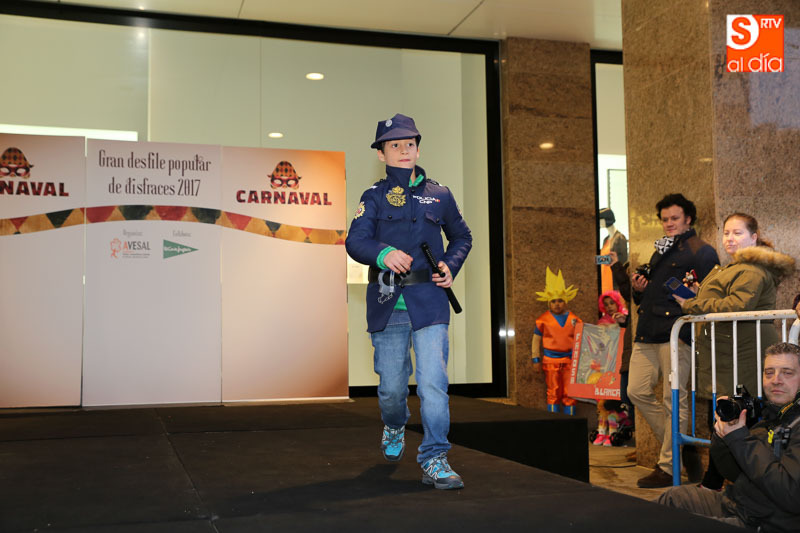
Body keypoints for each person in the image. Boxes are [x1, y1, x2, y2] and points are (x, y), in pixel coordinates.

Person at [345, 113, 472, 490]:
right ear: (381, 153)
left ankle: (435, 457)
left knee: (433, 383)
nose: (404, 150)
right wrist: (383, 253)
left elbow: (462, 237)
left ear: (418, 149)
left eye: (410, 144)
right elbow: (355, 241)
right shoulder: (373, 196)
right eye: (395, 145)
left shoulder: (440, 194)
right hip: (388, 302)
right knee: (392, 389)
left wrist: (450, 265)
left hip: (430, 301)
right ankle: (394, 424)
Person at [673, 213, 795, 489]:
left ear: (754, 237)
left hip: (742, 353)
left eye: (738, 233)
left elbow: (738, 305)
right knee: (727, 418)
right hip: (731, 351)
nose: (730, 238)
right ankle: (717, 482)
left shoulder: (751, 269)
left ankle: (717, 483)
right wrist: (699, 294)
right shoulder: (732, 267)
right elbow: (727, 301)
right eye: (726, 233)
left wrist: (691, 305)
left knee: (733, 418)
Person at [627, 193, 720, 488]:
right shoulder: (660, 250)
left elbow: (711, 295)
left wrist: (693, 297)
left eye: (675, 218)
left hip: (677, 333)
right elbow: (649, 295)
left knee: (673, 400)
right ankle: (679, 442)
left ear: (688, 219)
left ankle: (668, 466)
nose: (669, 223)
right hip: (647, 331)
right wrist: (638, 289)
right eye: (665, 219)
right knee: (636, 391)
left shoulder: (701, 251)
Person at [657, 342, 800, 532]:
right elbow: (733, 473)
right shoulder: (771, 416)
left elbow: (790, 494)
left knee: (676, 524)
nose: (776, 380)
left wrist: (740, 439)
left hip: (766, 522)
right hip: (738, 504)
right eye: (769, 372)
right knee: (673, 498)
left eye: (787, 373)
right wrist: (724, 433)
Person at [531, 267, 582, 415]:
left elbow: (581, 339)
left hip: (570, 361)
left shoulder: (574, 319)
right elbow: (536, 340)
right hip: (550, 361)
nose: (557, 304)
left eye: (560, 301)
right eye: (553, 301)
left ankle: (570, 421)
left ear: (565, 302)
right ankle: (554, 421)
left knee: (570, 392)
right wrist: (535, 359)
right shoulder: (543, 320)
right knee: (553, 391)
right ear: (549, 303)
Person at [592, 290, 632, 446]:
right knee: (603, 401)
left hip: (621, 364)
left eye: (612, 303)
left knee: (615, 400)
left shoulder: (625, 318)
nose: (609, 307)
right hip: (606, 365)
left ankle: (613, 431)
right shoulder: (602, 322)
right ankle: (603, 431)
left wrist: (620, 323)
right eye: (606, 304)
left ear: (618, 303)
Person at [598, 208, 628, 294]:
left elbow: (622, 261)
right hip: (604, 280)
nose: (599, 222)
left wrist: (597, 259)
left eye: (600, 219)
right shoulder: (606, 239)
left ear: (606, 219)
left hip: (613, 283)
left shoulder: (619, 238)